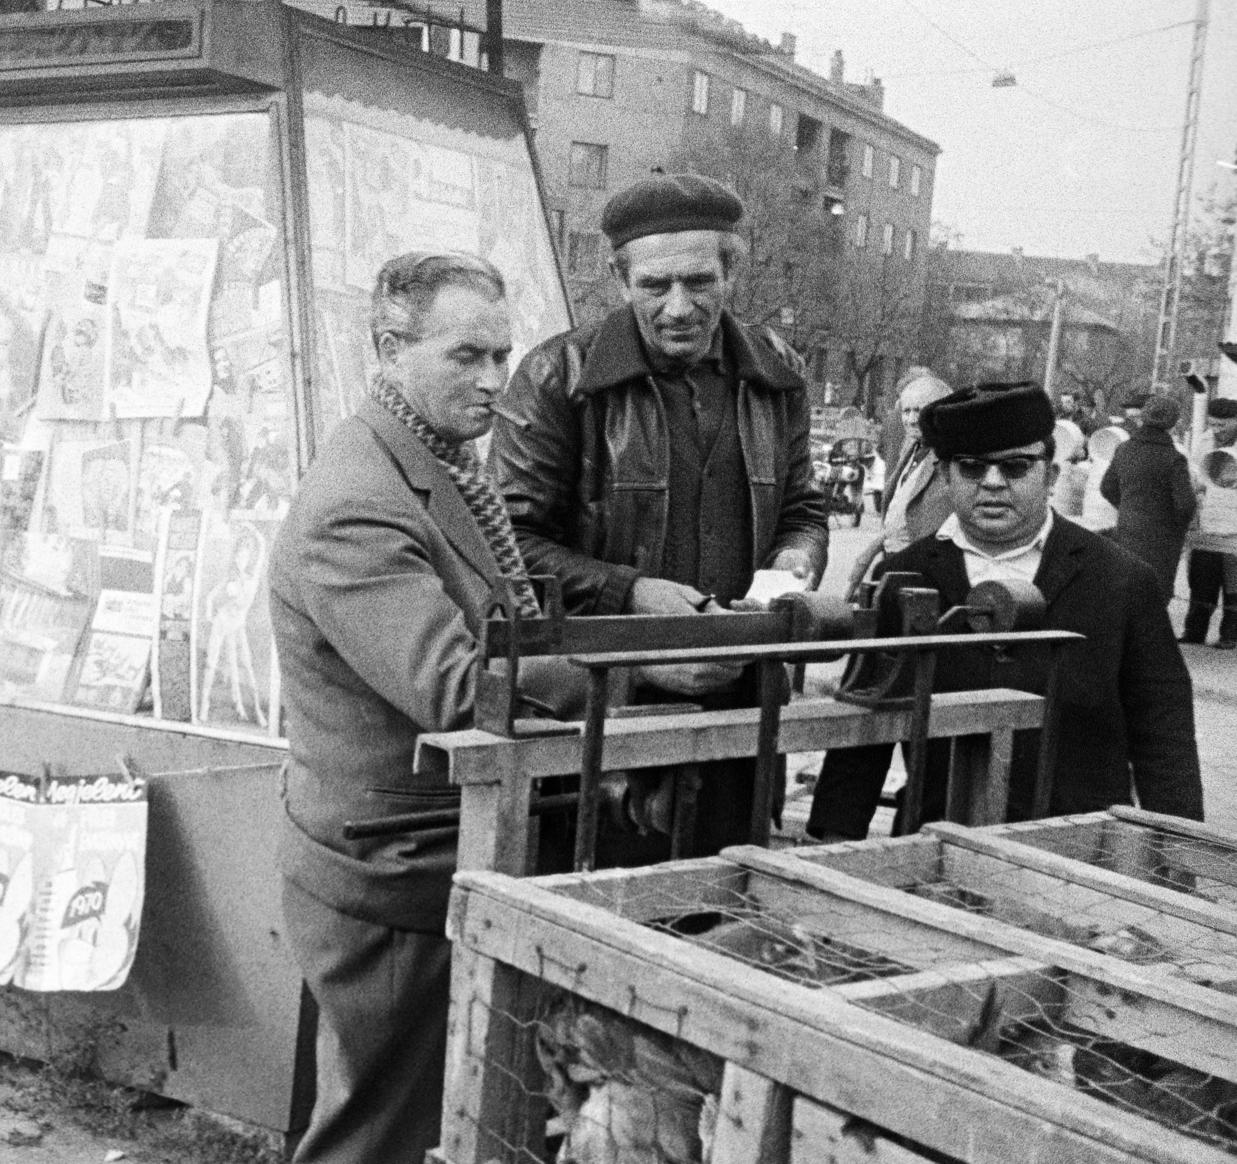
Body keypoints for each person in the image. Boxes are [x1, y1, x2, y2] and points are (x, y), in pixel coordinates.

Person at [269, 252, 572, 1164]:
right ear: (389, 346)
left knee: (415, 1118)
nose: (493, 382)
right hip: (392, 872)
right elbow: (456, 685)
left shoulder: (429, 460)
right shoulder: (358, 500)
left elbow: (503, 620)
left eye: (502, 356)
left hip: (419, 851)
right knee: (374, 1138)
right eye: (466, 356)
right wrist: (621, 681)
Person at [490, 172, 827, 861]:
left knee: (734, 909)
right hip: (603, 719)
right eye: (655, 286)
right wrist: (633, 599)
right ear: (622, 283)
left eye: (699, 281)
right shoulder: (559, 376)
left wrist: (793, 563)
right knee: (599, 913)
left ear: (731, 271)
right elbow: (507, 543)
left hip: (745, 710)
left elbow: (803, 508)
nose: (679, 306)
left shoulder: (776, 373)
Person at [806, 382, 1201, 840]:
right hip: (933, 853)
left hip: (1079, 863)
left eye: (1015, 466)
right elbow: (863, 735)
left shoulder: (1121, 580)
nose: (993, 483)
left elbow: (1164, 735)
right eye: (972, 468)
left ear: (1050, 476)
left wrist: (1177, 861)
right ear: (947, 476)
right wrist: (831, 846)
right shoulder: (904, 579)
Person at [846, 372, 955, 596]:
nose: (912, 419)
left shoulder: (951, 456)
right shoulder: (912, 446)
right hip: (895, 564)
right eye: (907, 411)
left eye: (920, 411)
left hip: (925, 575)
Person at [1100, 393, 1197, 605]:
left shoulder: (1124, 449)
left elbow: (1107, 487)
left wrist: (1128, 507)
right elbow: (1186, 504)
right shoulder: (1173, 458)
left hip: (1127, 530)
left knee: (1125, 592)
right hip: (1162, 539)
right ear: (1173, 422)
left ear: (1144, 416)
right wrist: (1177, 528)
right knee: (1154, 596)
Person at [1182, 397, 1237, 648]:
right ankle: (1194, 631)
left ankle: (1230, 634)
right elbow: (1195, 472)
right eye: (1212, 424)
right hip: (1206, 520)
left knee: (1233, 584)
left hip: (1234, 526)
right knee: (1201, 579)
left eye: (1223, 425)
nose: (1216, 429)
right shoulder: (1204, 440)